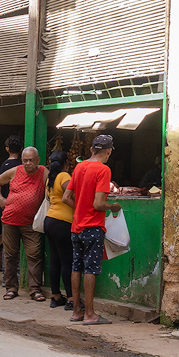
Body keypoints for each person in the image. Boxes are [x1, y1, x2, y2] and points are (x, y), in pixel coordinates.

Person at [64, 134, 121, 325]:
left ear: (91, 150)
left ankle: (77, 311)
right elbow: (98, 204)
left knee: (76, 266)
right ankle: (90, 314)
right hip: (93, 228)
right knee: (91, 268)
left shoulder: (79, 167)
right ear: (108, 151)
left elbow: (66, 197)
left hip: (76, 227)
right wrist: (112, 206)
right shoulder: (103, 170)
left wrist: (80, 208)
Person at [0, 147, 48, 302]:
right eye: (25, 160)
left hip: (31, 223)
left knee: (34, 255)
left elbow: (52, 186)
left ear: (38, 160)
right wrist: (0, 198)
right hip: (10, 220)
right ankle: (11, 288)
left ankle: (35, 290)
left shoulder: (43, 172)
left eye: (31, 160)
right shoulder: (15, 171)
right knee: (10, 256)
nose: (28, 163)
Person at [43, 150, 76, 309]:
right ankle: (71, 299)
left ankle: (56, 296)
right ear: (66, 164)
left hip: (50, 221)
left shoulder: (50, 178)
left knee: (55, 260)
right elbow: (69, 194)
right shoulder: (64, 176)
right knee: (67, 261)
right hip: (63, 222)